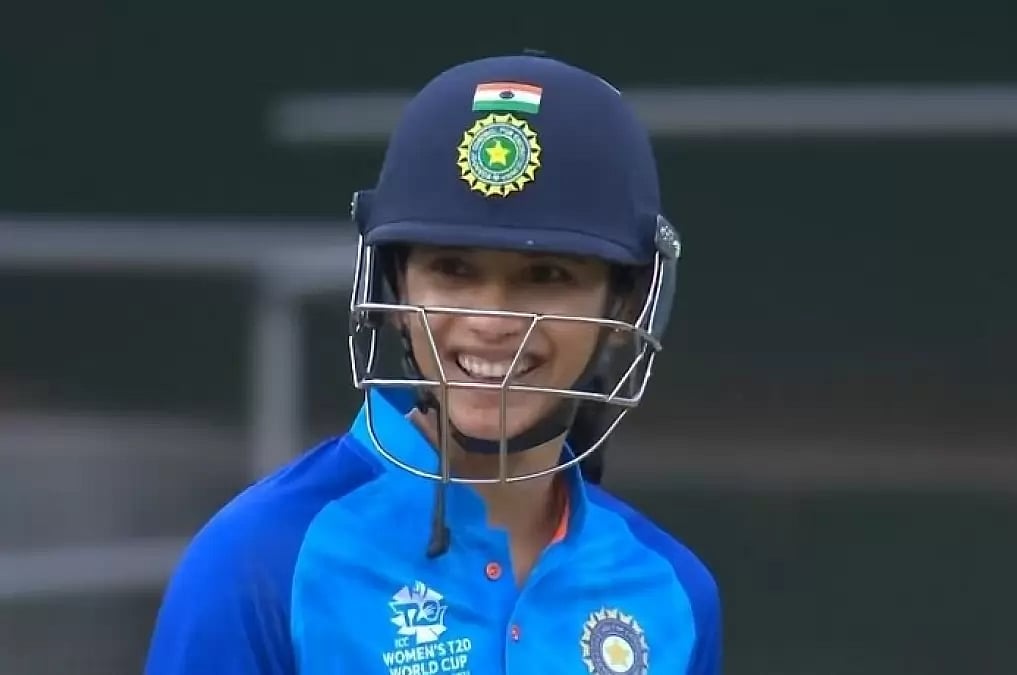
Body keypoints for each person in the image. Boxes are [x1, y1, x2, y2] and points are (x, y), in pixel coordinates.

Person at [144, 51, 722, 675]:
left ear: (626, 304)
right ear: (394, 289)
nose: (491, 321)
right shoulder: (261, 563)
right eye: (454, 269)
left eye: (547, 276)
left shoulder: (670, 593)